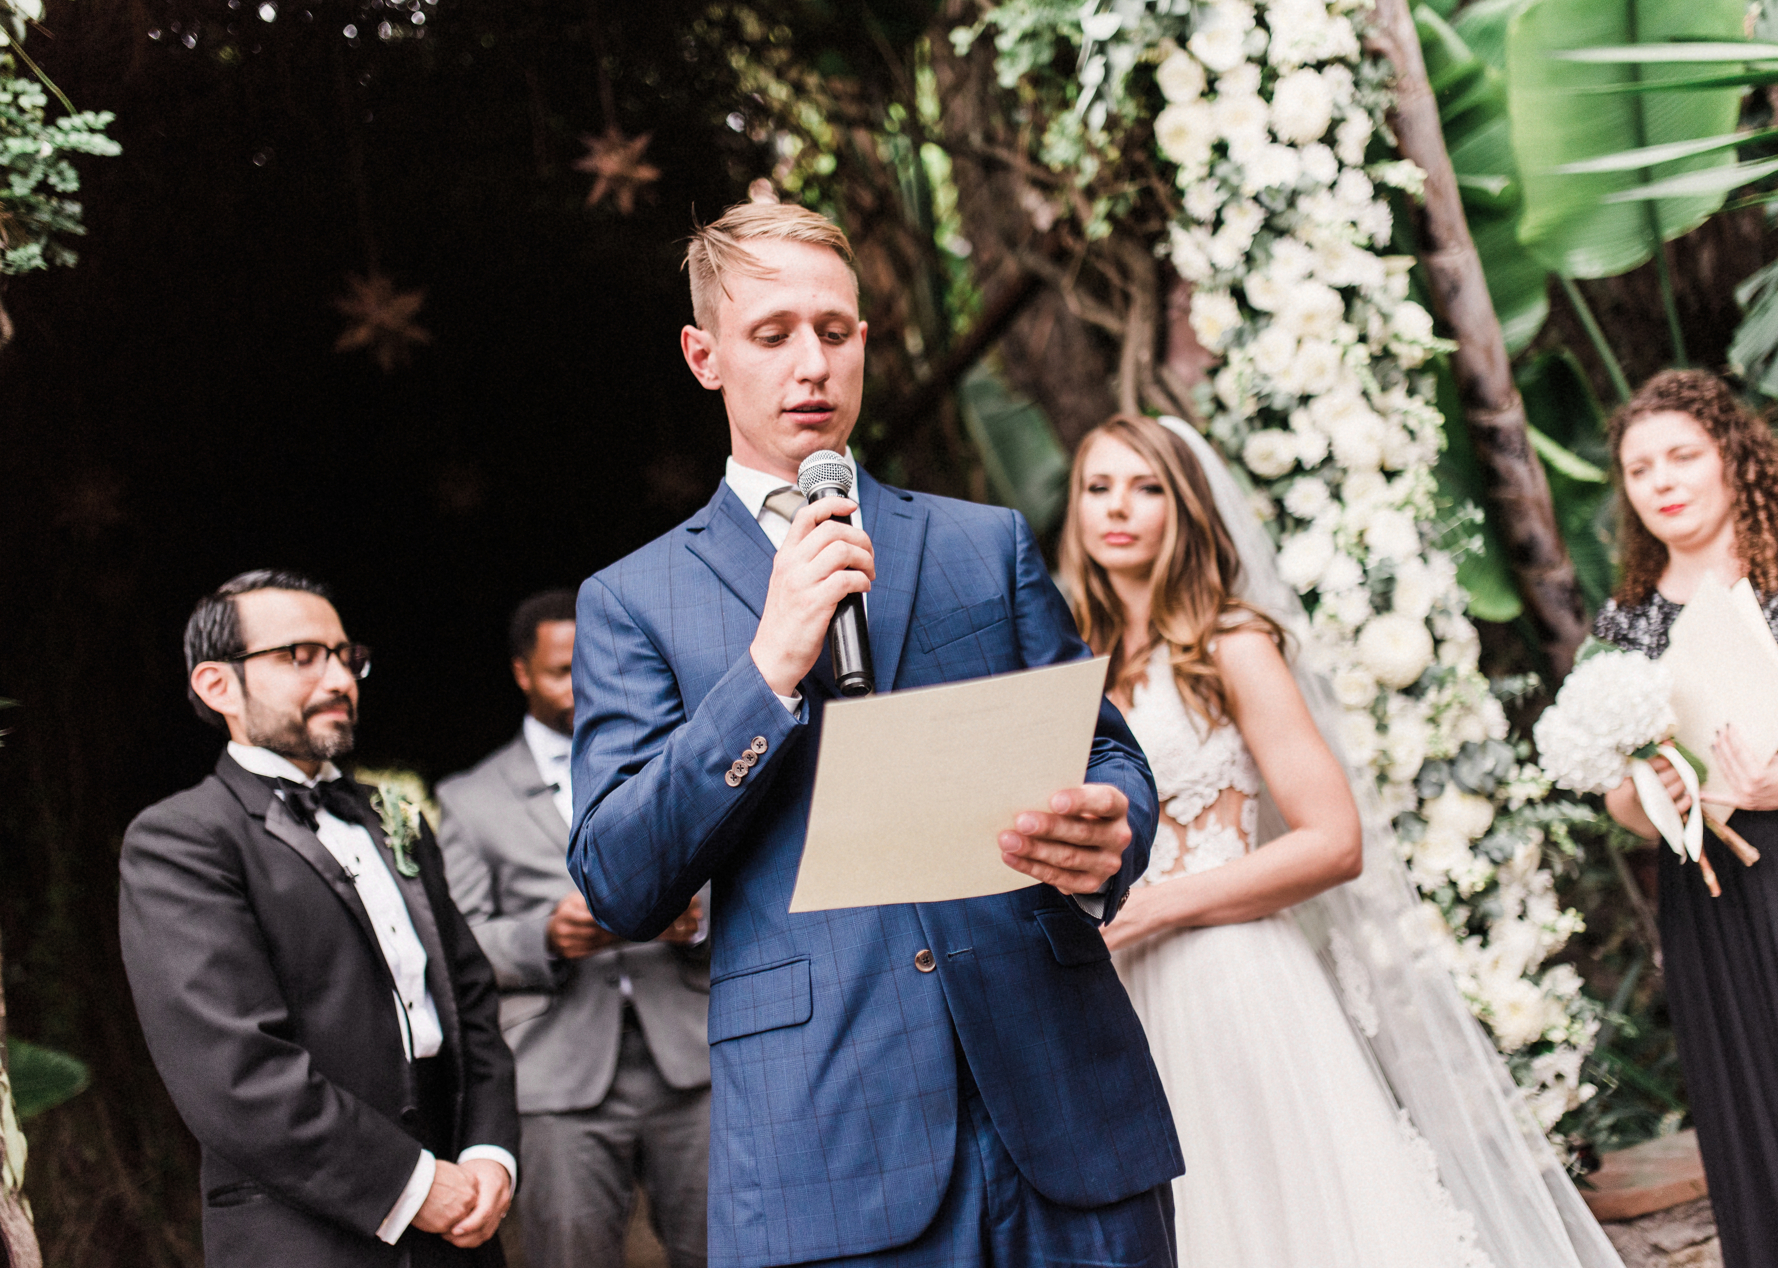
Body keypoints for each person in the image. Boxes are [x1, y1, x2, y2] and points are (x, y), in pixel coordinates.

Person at [567, 201, 1182, 1268]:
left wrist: (1110, 826)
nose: (812, 361)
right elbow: (619, 876)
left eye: (835, 329)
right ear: (703, 356)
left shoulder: (980, 543)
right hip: (830, 1147)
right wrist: (767, 668)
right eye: (772, 335)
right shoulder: (632, 600)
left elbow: (1106, 750)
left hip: (1066, 1115)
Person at [1062, 415, 1627, 1268]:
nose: (1119, 510)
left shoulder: (1230, 644)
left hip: (1234, 976)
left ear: (1186, 506)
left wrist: (1158, 905)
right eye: (1097, 488)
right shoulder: (1071, 664)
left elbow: (1333, 842)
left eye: (1147, 488)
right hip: (1122, 992)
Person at [119, 569, 519, 1268]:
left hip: (462, 1223)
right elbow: (232, 1072)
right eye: (300, 657)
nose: (338, 679)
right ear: (218, 687)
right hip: (303, 1232)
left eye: (344, 656)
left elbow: (470, 1000)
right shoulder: (182, 839)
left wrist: (489, 1152)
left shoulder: (393, 817)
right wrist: (412, 1184)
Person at [1595, 369, 1778, 1268]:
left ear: (1734, 457)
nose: (1662, 480)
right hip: (1720, 909)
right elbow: (1624, 802)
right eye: (1640, 468)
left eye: (1682, 454)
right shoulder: (1630, 624)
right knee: (1776, 1124)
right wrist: (1657, 792)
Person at [438, 588, 712, 1268]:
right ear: (522, 674)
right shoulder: (470, 800)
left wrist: (696, 919)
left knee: (730, 1250)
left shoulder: (670, 762)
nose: (583, 685)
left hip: (694, 1057)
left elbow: (732, 877)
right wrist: (544, 938)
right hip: (557, 1078)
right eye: (563, 671)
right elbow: (457, 947)